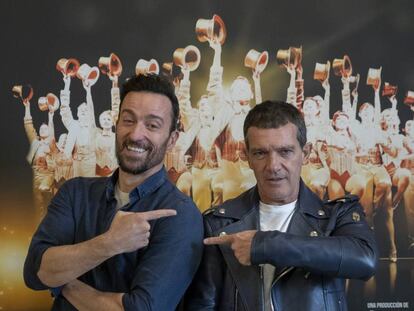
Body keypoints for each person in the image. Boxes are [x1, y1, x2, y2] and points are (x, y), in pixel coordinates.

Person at [23, 74, 204, 310]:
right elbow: (35, 271)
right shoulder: (75, 193)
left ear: (172, 140)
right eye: (128, 120)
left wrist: (65, 284)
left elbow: (141, 308)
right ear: (117, 125)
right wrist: (109, 244)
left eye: (152, 125)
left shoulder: (179, 214)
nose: (136, 134)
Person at [185, 101, 378, 311]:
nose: (273, 166)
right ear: (247, 157)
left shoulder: (337, 215)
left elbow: (365, 260)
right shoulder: (219, 222)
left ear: (305, 153)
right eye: (260, 153)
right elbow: (202, 305)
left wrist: (264, 245)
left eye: (285, 151)